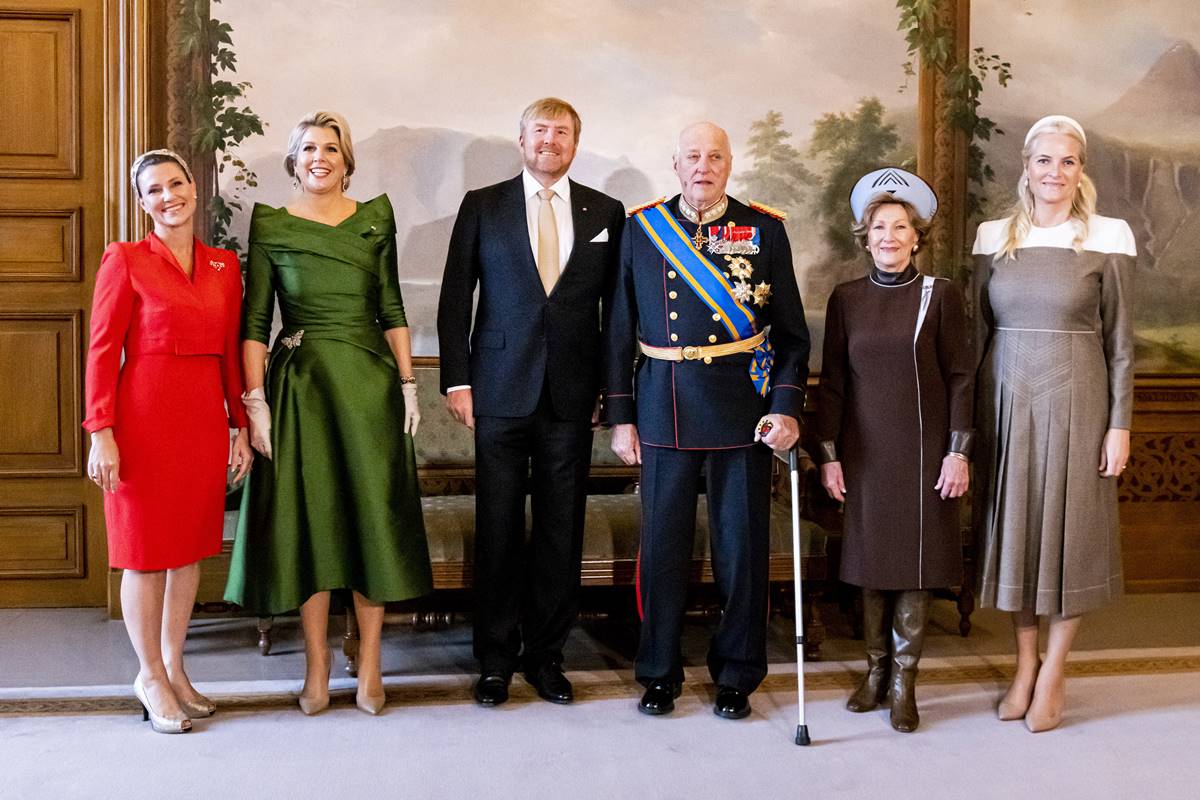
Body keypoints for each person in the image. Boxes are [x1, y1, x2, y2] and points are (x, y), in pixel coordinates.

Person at [225, 111, 432, 716]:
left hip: (370, 389)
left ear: (347, 160)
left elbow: (392, 305)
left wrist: (409, 384)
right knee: (310, 528)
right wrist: (255, 402)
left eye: (332, 149)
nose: (321, 157)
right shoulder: (270, 223)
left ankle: (369, 667)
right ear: (295, 159)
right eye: (309, 148)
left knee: (372, 521)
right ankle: (316, 669)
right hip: (301, 393)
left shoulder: (375, 218)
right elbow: (256, 322)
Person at [605, 122, 810, 720]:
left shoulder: (766, 229)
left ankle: (738, 675)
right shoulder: (643, 230)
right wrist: (621, 417)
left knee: (741, 552)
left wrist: (785, 405)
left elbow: (793, 335)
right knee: (662, 551)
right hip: (663, 406)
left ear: (729, 164)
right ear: (675, 165)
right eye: (692, 156)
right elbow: (618, 327)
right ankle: (659, 672)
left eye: (714, 156)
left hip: (741, 411)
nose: (703, 166)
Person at [437, 97, 624, 707]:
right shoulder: (483, 205)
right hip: (498, 388)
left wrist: (611, 390)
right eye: (539, 131)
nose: (550, 140)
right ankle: (494, 660)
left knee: (560, 532)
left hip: (573, 394)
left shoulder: (607, 212)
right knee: (496, 528)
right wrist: (457, 380)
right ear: (521, 140)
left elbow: (616, 314)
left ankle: (546, 656)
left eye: (562, 132)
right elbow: (453, 298)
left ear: (576, 142)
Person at [973, 115, 1135, 733]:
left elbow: (1121, 345)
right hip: (1006, 400)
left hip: (1081, 400)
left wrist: (1119, 424)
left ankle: (1055, 670)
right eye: (1044, 161)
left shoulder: (1108, 236)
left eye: (1067, 162)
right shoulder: (993, 237)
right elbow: (978, 332)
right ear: (1026, 166)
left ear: (1081, 170)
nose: (1055, 173)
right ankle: (1024, 665)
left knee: (1071, 535)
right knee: (1019, 534)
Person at [84, 149, 253, 733]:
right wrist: (100, 432)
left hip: (204, 420)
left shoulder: (224, 266)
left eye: (175, 184)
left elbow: (231, 354)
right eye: (153, 190)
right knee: (145, 554)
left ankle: (176, 668)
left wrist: (240, 429)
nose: (168, 196)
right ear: (142, 204)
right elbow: (102, 350)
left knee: (187, 555)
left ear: (194, 188)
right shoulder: (124, 259)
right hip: (142, 420)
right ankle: (149, 674)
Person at [816, 168, 973, 732]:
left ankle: (905, 682)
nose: (888, 236)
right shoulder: (846, 299)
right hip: (864, 453)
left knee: (914, 566)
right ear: (866, 236)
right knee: (871, 564)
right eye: (878, 226)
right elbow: (832, 382)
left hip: (927, 452)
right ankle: (875, 672)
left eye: (899, 226)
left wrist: (959, 451)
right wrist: (828, 454)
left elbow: (960, 377)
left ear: (915, 237)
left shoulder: (941, 296)